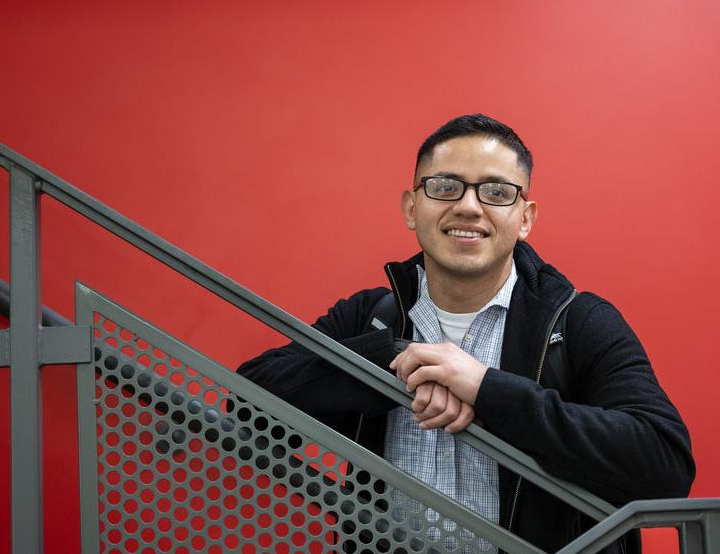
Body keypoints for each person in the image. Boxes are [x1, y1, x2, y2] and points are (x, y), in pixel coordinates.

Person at [237, 114, 694, 553]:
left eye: (496, 191)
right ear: (412, 209)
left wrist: (486, 390)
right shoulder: (369, 317)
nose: (469, 206)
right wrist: (391, 363)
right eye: (444, 186)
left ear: (526, 218)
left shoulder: (578, 322)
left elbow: (665, 465)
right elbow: (247, 404)